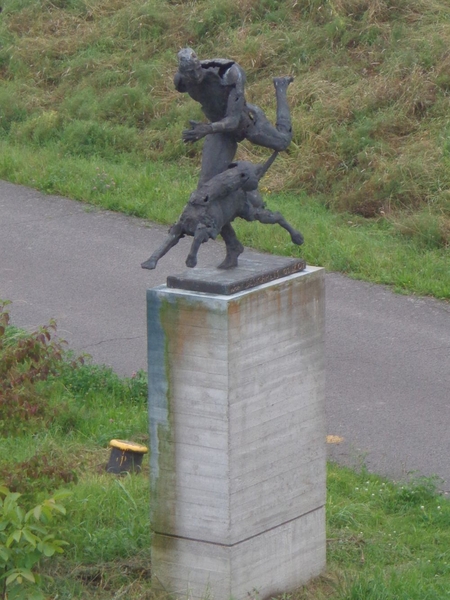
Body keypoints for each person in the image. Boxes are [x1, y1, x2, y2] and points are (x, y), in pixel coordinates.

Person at [174, 48, 294, 186]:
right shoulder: (182, 82)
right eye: (190, 73)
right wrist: (209, 128)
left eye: (197, 69)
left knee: (283, 142)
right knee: (205, 186)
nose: (196, 75)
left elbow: (233, 120)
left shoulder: (230, 74)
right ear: (183, 74)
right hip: (219, 130)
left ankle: (281, 86)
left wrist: (207, 128)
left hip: (246, 122)